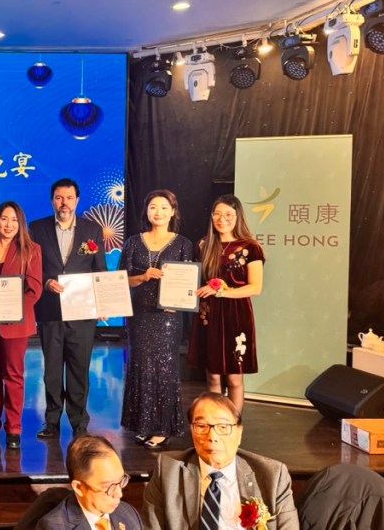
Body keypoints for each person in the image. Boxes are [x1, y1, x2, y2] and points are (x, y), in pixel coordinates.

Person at [142, 392, 298, 530]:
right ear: (191, 431)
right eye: (201, 426)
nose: (212, 437)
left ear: (239, 432)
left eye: (223, 427)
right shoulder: (168, 470)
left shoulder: (272, 475)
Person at [30, 178, 107, 439]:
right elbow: (31, 268)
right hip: (50, 311)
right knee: (52, 370)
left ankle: (79, 423)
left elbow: (99, 270)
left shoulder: (92, 230)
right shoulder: (36, 228)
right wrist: (45, 282)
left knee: (79, 369)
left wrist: (103, 302)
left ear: (77, 200)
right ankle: (51, 421)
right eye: (59, 198)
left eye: (69, 198)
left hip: (82, 313)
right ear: (52, 200)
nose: (64, 203)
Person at [119, 189, 193, 450]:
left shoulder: (183, 244)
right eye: (153, 207)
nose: (158, 212)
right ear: (146, 212)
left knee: (164, 369)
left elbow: (188, 281)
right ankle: (143, 424)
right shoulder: (132, 242)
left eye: (163, 207)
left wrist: (179, 302)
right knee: (140, 366)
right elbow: (120, 279)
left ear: (172, 212)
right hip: (139, 316)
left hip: (167, 318)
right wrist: (143, 276)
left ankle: (162, 428)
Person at [0, 201, 43, 450]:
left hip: (15, 323)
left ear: (20, 223)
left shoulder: (31, 249)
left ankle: (13, 427)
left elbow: (34, 289)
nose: (9, 224)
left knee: (13, 375)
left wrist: (9, 313)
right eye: (4, 219)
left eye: (14, 220)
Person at [187, 194, 265, 414]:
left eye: (228, 214)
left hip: (236, 314)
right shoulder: (203, 244)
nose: (222, 219)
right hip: (208, 315)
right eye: (217, 214)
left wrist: (222, 291)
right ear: (212, 217)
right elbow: (194, 280)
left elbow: (255, 288)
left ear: (238, 217)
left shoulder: (250, 247)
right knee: (212, 375)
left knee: (234, 377)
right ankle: (215, 420)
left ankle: (233, 423)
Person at [26, 435, 142, 530]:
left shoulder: (128, 513)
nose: (119, 494)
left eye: (121, 480)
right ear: (78, 487)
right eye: (108, 486)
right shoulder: (55, 527)